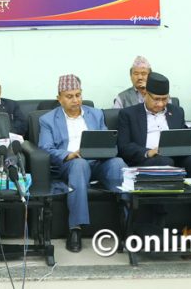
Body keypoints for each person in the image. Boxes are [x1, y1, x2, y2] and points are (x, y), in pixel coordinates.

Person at [38, 74, 125, 253]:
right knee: (80, 165)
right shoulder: (47, 120)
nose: (75, 100)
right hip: (69, 164)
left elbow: (107, 139)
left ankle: (126, 224)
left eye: (78, 95)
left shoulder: (96, 114)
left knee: (118, 163)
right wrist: (69, 155)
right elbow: (45, 148)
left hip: (97, 161)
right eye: (69, 96)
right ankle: (75, 228)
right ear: (59, 98)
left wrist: (105, 150)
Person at [117, 73, 191, 177]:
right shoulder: (128, 114)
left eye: (164, 99)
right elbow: (124, 146)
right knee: (165, 162)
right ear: (145, 94)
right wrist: (148, 152)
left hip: (175, 156)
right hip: (146, 159)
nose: (160, 104)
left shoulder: (177, 112)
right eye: (156, 99)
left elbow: (182, 137)